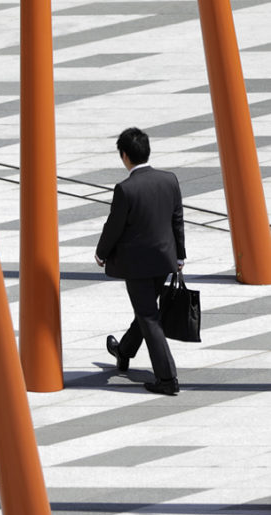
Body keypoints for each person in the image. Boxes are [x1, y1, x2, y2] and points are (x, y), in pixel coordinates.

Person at [95, 127, 186, 396]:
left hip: (137, 266)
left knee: (148, 315)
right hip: (164, 260)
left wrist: (101, 253)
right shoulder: (169, 180)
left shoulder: (125, 189)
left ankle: (167, 378)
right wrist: (180, 255)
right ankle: (123, 351)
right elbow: (177, 220)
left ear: (124, 156)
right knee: (145, 311)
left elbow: (114, 227)